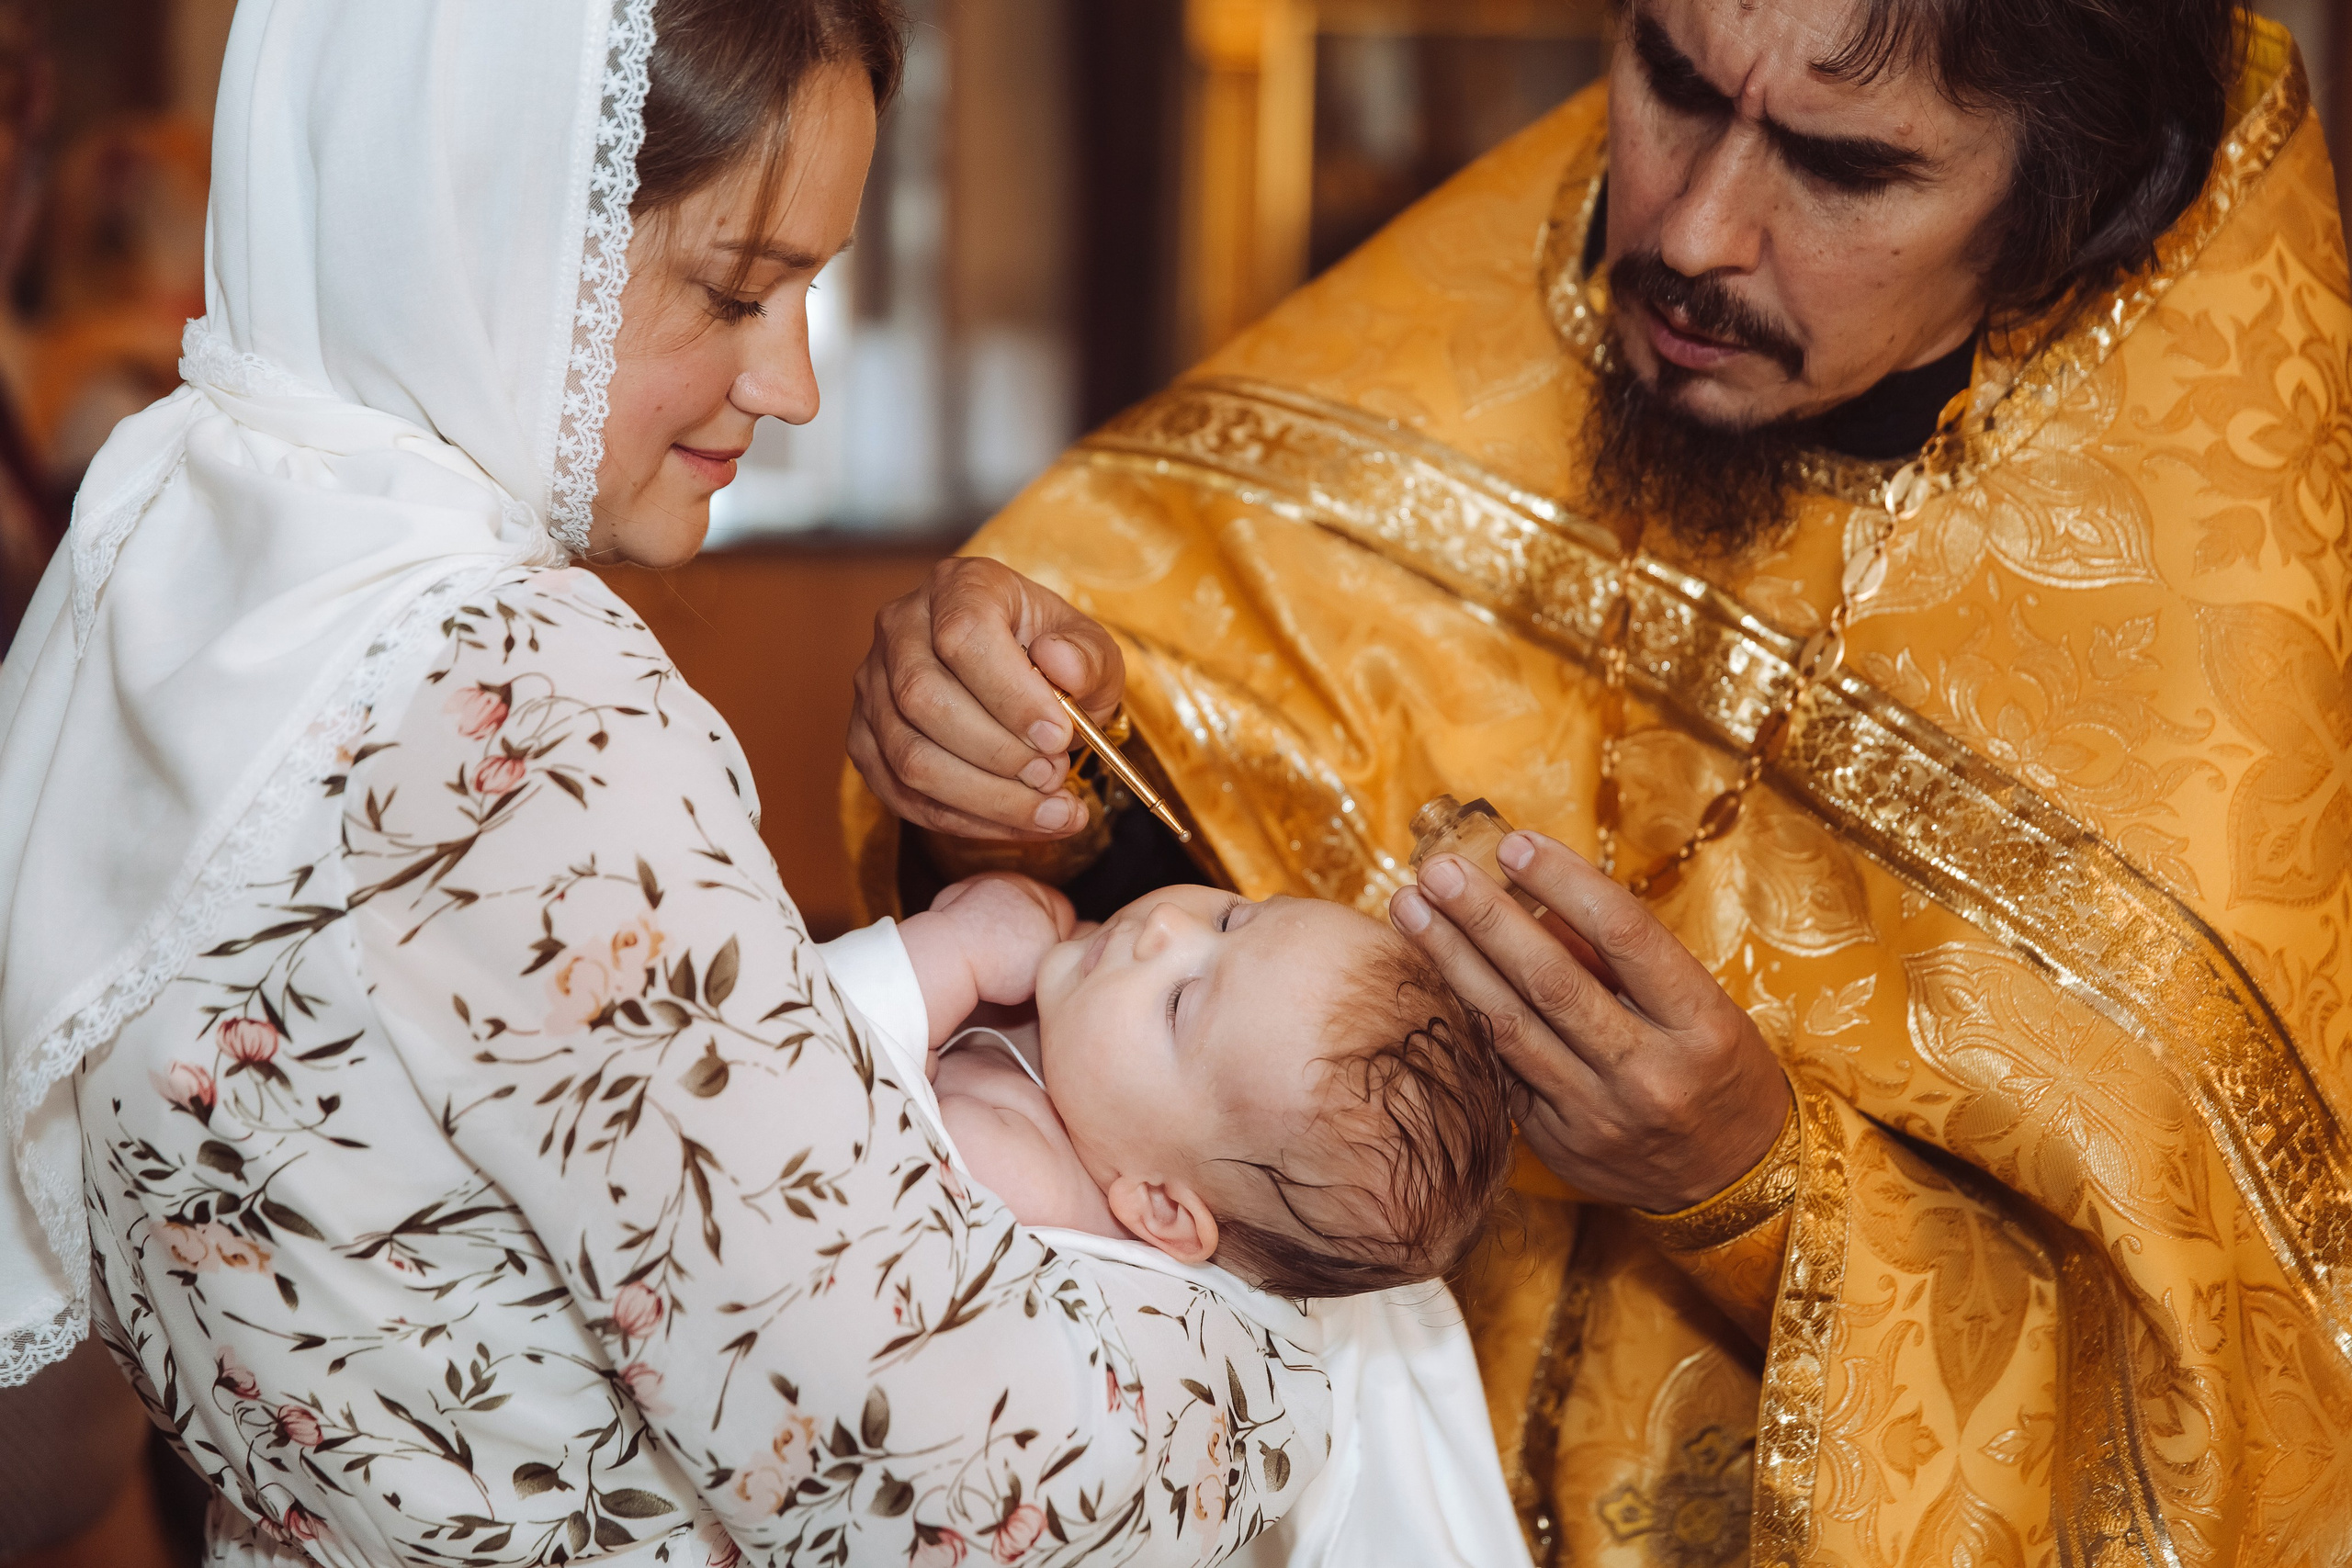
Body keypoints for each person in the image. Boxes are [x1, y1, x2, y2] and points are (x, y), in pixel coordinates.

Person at [844, 0, 2352, 1560]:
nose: (1691, 228)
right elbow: (1183, 908)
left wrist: (1752, 1189)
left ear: (2064, 209)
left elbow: (2251, 1426)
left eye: (1844, 170)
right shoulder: (1501, 301)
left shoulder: (2263, 622)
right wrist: (1016, 763)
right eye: (1675, 81)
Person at [0, 4, 1339, 1566]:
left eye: (813, 294)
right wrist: (1289, 1370)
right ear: (483, 214)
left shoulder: (167, 555)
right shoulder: (513, 703)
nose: (792, 385)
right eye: (737, 288)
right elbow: (969, 1500)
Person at [835, 872, 1530, 1567]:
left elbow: (812, 1088)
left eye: (1177, 1004)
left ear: (1162, 1207)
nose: (1167, 921)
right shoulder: (1103, 1078)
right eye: (1234, 916)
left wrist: (951, 949)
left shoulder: (1015, 1161)